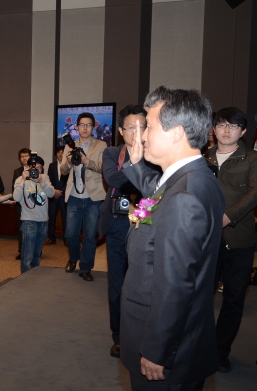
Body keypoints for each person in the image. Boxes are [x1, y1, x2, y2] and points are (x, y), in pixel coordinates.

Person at [121, 86, 224, 390]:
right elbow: (158, 193)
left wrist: (157, 351)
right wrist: (137, 162)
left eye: (149, 127)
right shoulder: (194, 178)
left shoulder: (185, 196)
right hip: (184, 338)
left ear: (177, 133)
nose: (142, 136)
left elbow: (176, 283)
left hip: (167, 353)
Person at [205, 107, 257, 373]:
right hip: (207, 240)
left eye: (233, 126)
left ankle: (219, 351)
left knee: (234, 300)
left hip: (239, 239)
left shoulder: (251, 159)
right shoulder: (204, 157)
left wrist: (228, 216)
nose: (226, 130)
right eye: (222, 125)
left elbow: (254, 194)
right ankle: (199, 347)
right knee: (201, 296)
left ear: (243, 131)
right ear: (214, 129)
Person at [97, 104, 149, 359]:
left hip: (148, 225)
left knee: (144, 283)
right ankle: (118, 336)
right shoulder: (112, 152)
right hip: (118, 224)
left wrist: (135, 177)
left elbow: (159, 183)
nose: (136, 132)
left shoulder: (156, 153)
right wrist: (140, 176)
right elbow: (113, 178)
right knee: (117, 284)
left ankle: (144, 333)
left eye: (142, 126)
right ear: (121, 130)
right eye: (131, 127)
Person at [61, 112, 107, 282]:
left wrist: (87, 161)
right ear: (77, 127)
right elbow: (63, 171)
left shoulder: (101, 145)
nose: (85, 128)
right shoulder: (69, 145)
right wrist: (67, 162)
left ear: (93, 127)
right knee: (70, 234)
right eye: (82, 125)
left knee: (89, 235)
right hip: (73, 196)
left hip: (93, 198)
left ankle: (86, 267)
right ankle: (74, 258)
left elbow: (104, 168)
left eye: (88, 125)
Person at [13, 156, 55, 273]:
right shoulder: (20, 180)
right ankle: (25, 280)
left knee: (37, 254)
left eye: (39, 168)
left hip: (43, 221)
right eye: (34, 168)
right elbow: (16, 197)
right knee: (27, 256)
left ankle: (33, 278)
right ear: (27, 168)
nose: (36, 170)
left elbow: (51, 194)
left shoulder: (45, 178)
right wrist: (23, 179)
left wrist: (41, 181)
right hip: (28, 221)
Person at [45, 146, 68, 245]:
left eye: (62, 152)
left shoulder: (68, 165)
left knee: (65, 218)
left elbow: (70, 181)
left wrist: (61, 191)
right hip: (53, 195)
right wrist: (54, 191)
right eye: (58, 152)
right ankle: (51, 238)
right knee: (52, 217)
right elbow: (48, 180)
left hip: (64, 195)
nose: (60, 154)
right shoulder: (52, 165)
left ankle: (66, 238)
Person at [12, 148, 31, 260]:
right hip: (20, 203)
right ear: (20, 159)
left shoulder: (36, 169)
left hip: (33, 202)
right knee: (21, 227)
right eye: (22, 156)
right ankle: (21, 250)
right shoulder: (17, 171)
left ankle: (35, 250)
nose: (24, 158)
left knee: (33, 226)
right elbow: (14, 188)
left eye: (26, 156)